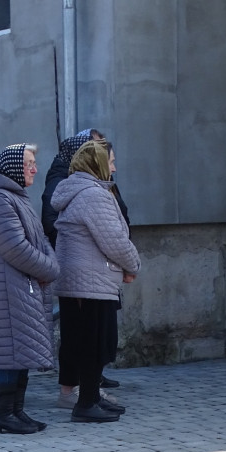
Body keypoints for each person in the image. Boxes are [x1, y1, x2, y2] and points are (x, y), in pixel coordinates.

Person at [51, 140, 140, 423]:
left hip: (79, 280)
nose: (114, 168)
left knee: (83, 340)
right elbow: (113, 240)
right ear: (97, 164)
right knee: (94, 342)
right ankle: (87, 402)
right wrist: (132, 264)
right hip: (90, 282)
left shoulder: (76, 190)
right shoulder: (93, 195)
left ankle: (90, 398)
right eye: (110, 162)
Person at [0, 144, 59, 434]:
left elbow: (41, 239)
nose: (35, 169)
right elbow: (16, 248)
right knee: (13, 353)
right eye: (29, 163)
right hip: (10, 290)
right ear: (13, 166)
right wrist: (49, 269)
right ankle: (2, 414)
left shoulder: (16, 197)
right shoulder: (0, 200)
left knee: (22, 352)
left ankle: (17, 411)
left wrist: (50, 263)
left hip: (23, 287)